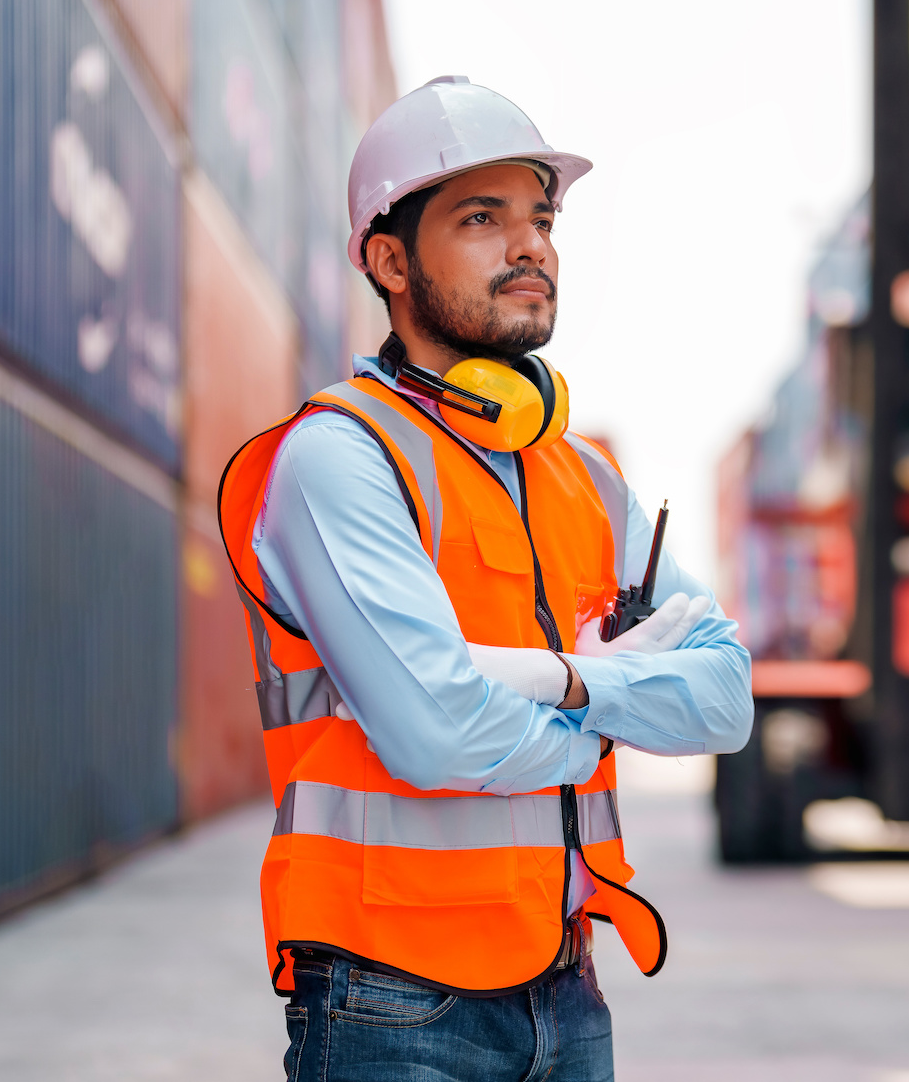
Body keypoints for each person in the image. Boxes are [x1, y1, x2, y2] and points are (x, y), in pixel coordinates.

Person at [216, 77, 753, 1082]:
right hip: (391, 1003)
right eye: (481, 218)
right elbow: (434, 733)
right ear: (388, 259)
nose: (531, 245)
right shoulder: (341, 458)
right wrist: (625, 702)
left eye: (540, 218)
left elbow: (725, 700)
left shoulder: (585, 475)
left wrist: (554, 678)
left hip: (566, 982)